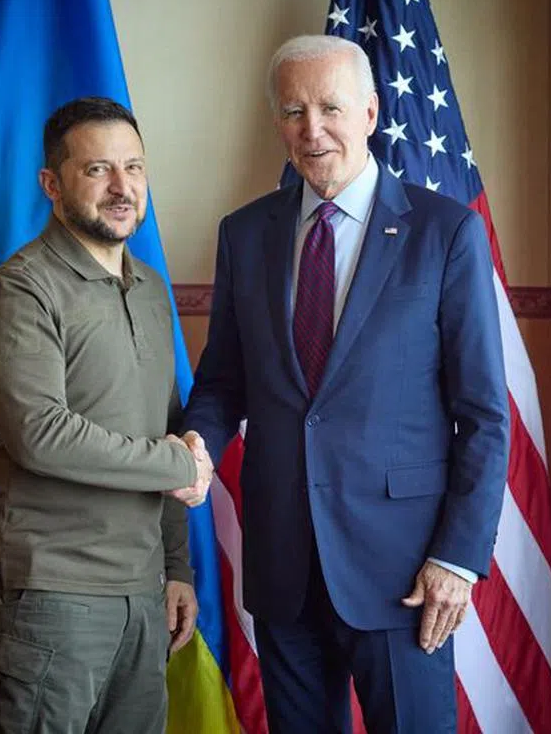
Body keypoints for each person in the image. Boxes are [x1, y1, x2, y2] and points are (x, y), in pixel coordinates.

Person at [182, 35, 510, 733]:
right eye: (294, 111)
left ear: (369, 111)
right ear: (278, 124)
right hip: (283, 564)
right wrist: (196, 440)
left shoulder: (444, 232)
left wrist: (459, 555)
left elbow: (483, 413)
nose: (313, 128)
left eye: (330, 107)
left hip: (405, 571)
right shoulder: (244, 234)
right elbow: (222, 382)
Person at [0, 96, 212, 734]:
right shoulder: (21, 290)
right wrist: (176, 461)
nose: (122, 187)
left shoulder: (152, 290)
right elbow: (40, 436)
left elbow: (162, 433)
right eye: (98, 170)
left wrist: (176, 569)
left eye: (133, 168)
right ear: (52, 184)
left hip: (142, 593)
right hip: (51, 594)